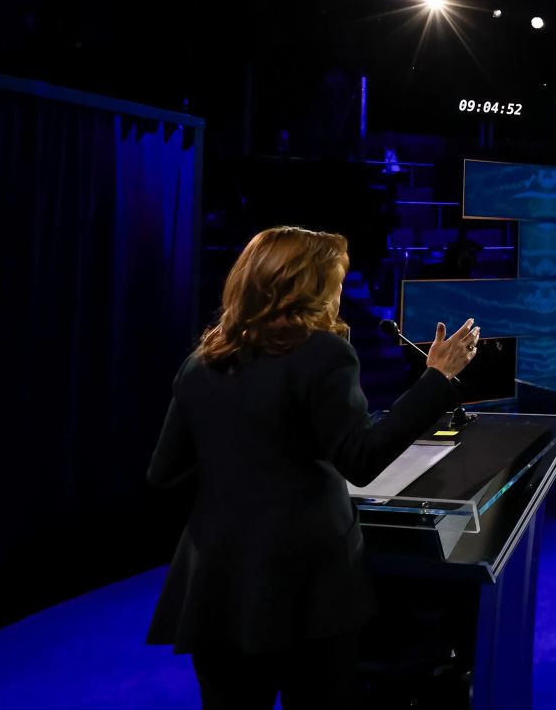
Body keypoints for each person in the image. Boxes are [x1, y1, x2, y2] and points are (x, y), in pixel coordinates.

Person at [146, 226, 479, 708]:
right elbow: (360, 459)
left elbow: (164, 474)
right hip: (309, 587)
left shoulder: (201, 361)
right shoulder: (325, 353)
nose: (340, 296)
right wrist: (437, 377)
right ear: (309, 288)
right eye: (336, 283)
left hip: (219, 585)